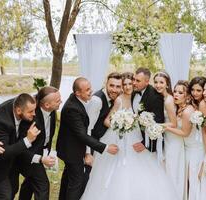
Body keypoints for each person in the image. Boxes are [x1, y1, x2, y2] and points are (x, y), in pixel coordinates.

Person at [81, 72, 176, 200]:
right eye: (124, 84)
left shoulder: (137, 96)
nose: (127, 87)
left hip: (135, 136)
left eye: (130, 83)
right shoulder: (119, 100)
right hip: (119, 136)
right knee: (117, 168)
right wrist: (120, 125)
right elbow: (107, 121)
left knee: (141, 169)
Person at [56, 77, 119, 200]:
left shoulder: (77, 101)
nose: (91, 92)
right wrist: (105, 148)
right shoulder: (72, 108)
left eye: (90, 88)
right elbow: (82, 134)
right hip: (72, 151)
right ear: (77, 93)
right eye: (87, 90)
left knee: (68, 180)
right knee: (76, 184)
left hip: (71, 149)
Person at [0, 93, 41, 200]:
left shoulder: (22, 105)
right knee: (5, 195)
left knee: (14, 189)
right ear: (18, 111)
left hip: (13, 162)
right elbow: (2, 152)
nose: (34, 114)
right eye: (30, 112)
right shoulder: (0, 120)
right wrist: (27, 140)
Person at [18, 86, 62, 200]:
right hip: (27, 156)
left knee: (29, 183)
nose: (61, 102)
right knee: (43, 186)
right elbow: (21, 148)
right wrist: (40, 159)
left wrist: (46, 152)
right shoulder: (30, 117)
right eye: (58, 101)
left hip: (40, 152)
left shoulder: (52, 112)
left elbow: (48, 135)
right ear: (47, 105)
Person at [164, 80, 205, 200]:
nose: (176, 94)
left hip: (194, 148)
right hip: (185, 147)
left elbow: (185, 133)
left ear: (187, 95)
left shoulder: (187, 111)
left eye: (180, 92)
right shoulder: (180, 107)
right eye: (175, 91)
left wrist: (166, 128)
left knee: (192, 180)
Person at [132, 67, 164, 153]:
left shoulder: (155, 97)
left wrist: (145, 143)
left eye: (138, 81)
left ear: (147, 82)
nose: (134, 83)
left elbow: (158, 123)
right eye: (133, 79)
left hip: (146, 140)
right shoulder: (134, 91)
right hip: (134, 134)